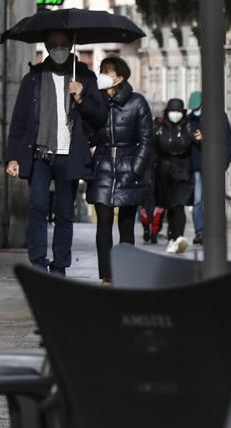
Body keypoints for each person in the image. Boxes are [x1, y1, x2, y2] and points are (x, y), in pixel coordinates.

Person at [5, 30, 99, 276]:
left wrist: (81, 98)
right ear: (46, 46)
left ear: (70, 45)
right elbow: (19, 120)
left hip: (70, 153)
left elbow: (99, 117)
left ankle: (60, 265)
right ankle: (37, 261)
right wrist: (12, 156)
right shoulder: (33, 78)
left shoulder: (85, 77)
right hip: (40, 154)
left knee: (65, 213)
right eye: (53, 44)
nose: (58, 48)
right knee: (38, 206)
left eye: (63, 43)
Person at [80, 57, 153, 284]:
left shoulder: (137, 102)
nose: (103, 75)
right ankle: (107, 273)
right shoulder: (96, 102)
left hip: (127, 165)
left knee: (126, 224)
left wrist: (136, 167)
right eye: (101, 71)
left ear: (120, 77)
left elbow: (146, 139)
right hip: (102, 165)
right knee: (102, 221)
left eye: (108, 72)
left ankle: (127, 270)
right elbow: (87, 134)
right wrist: (81, 102)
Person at [186, 90, 231, 245]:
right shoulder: (190, 119)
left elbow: (226, 142)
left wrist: (223, 164)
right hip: (197, 167)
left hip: (214, 166)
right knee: (198, 201)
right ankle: (200, 231)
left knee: (213, 200)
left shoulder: (218, 117)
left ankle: (214, 231)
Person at [154, 98, 195, 253]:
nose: (175, 114)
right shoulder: (159, 128)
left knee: (179, 205)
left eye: (178, 111)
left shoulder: (189, 127)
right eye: (172, 111)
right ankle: (172, 236)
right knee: (170, 206)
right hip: (164, 173)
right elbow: (154, 149)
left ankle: (178, 237)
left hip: (184, 172)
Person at [140, 111, 164, 245]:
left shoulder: (144, 132)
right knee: (153, 204)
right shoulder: (157, 132)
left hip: (150, 171)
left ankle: (150, 230)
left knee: (147, 204)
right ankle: (152, 230)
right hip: (152, 171)